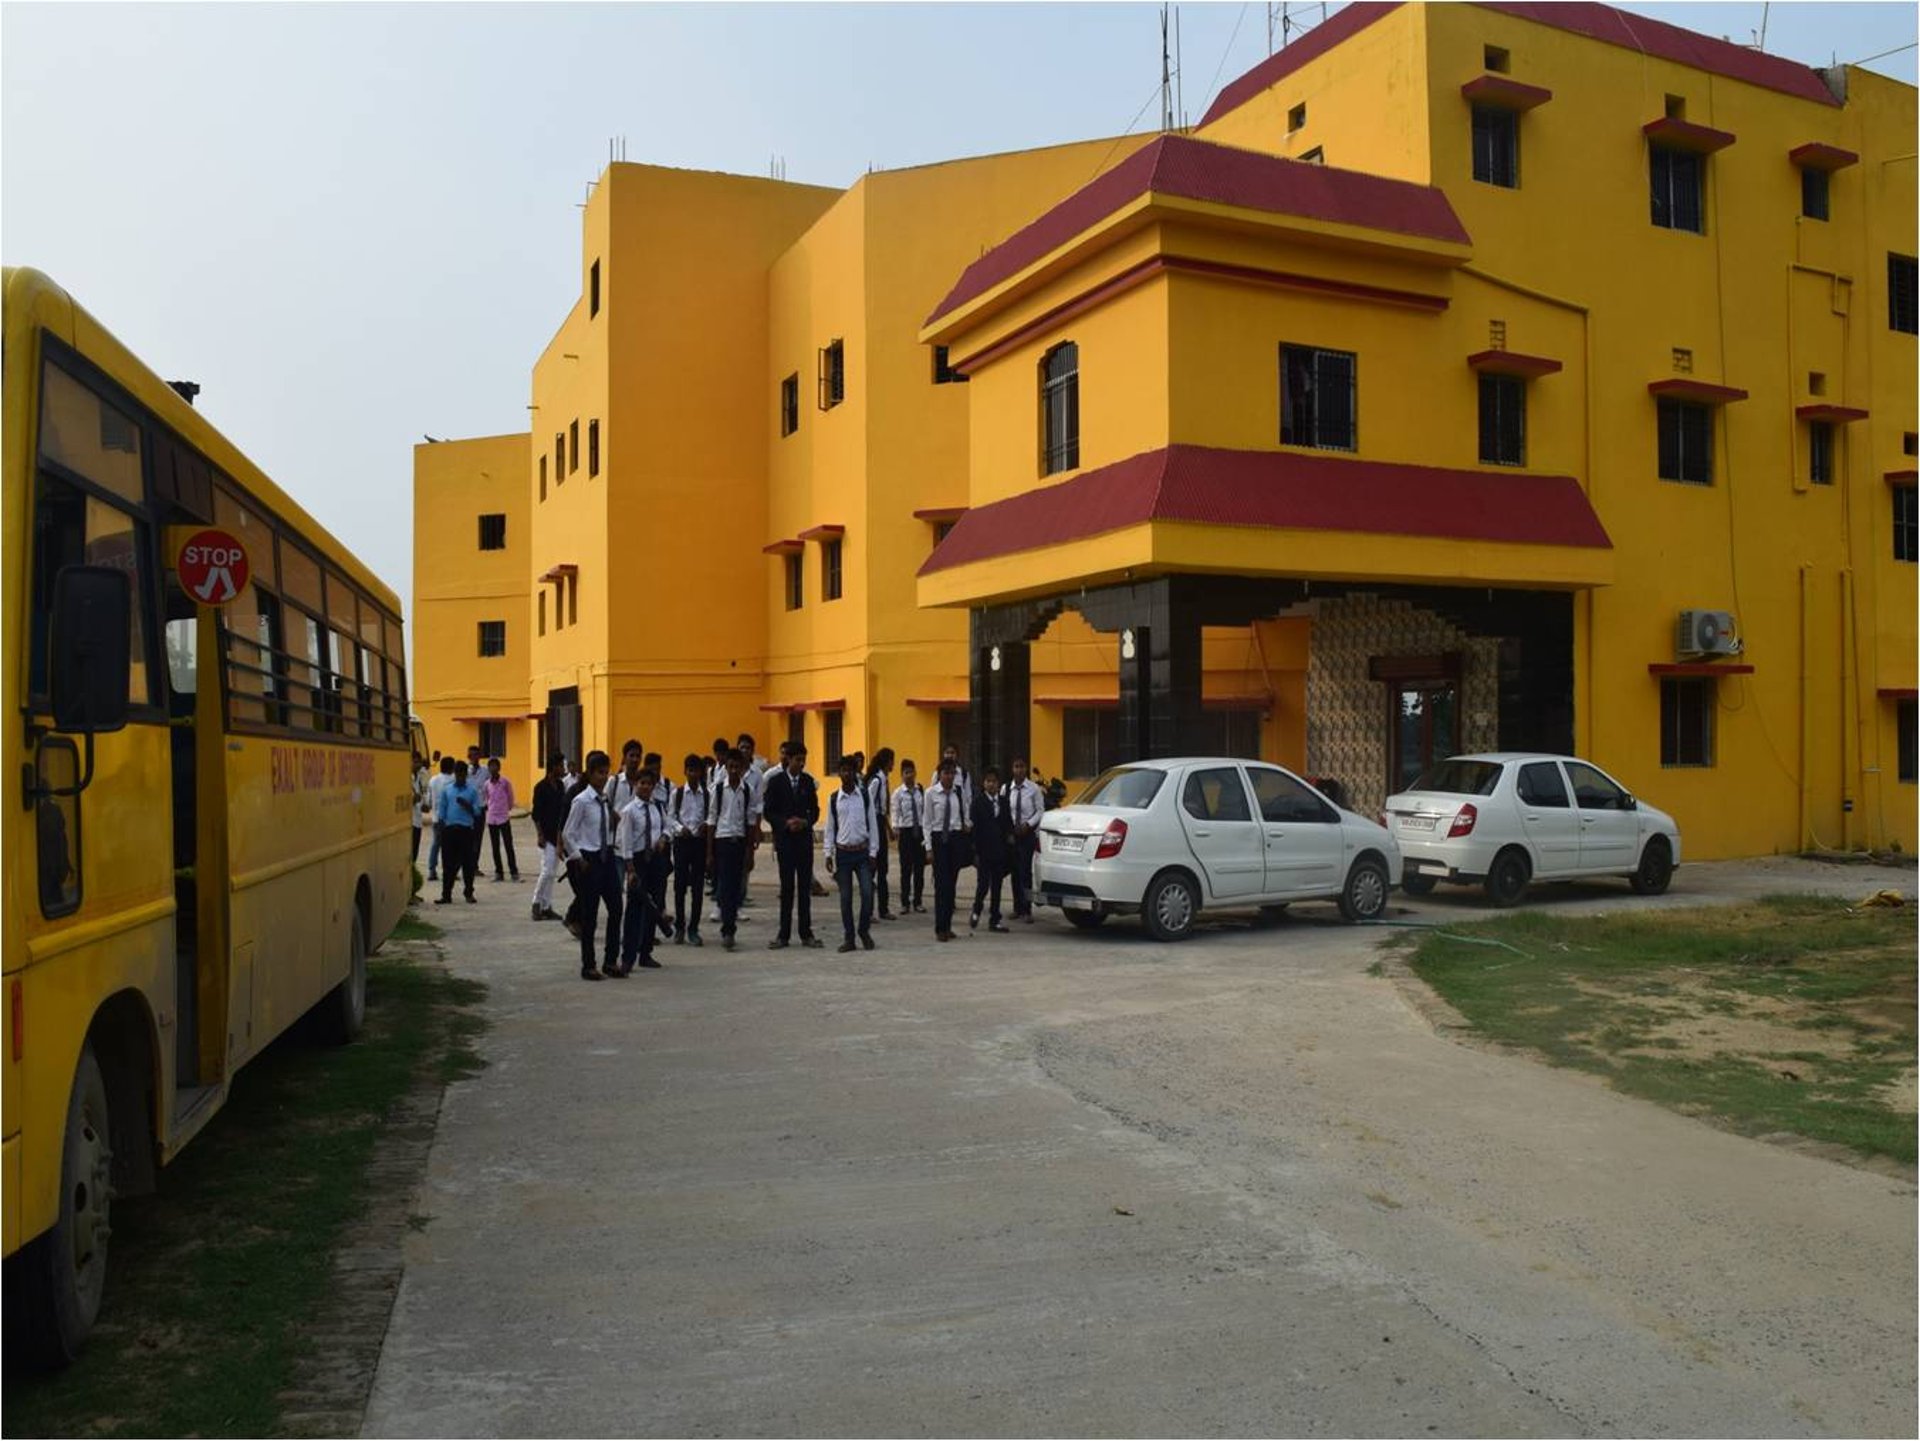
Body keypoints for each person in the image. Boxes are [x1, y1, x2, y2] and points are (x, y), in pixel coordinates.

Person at [562, 750, 621, 980]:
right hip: (589, 859)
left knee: (616, 908)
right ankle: (588, 965)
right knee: (590, 914)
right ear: (590, 773)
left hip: (606, 857)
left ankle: (610, 960)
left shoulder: (604, 799)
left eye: (606, 773)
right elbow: (568, 834)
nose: (603, 777)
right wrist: (579, 857)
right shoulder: (582, 800)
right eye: (599, 773)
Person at [761, 743, 824, 951]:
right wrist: (785, 823)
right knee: (787, 888)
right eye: (797, 759)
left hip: (804, 842)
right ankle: (783, 934)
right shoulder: (776, 782)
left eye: (803, 759)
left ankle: (806, 933)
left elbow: (814, 810)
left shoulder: (807, 782)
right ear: (788, 759)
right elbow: (769, 811)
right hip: (786, 842)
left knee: (804, 889)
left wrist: (805, 822)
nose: (801, 763)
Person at [705, 748, 760, 952]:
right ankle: (728, 929)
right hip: (722, 841)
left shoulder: (748, 791)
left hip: (740, 842)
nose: (734, 770)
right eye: (731, 767)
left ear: (743, 768)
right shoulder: (717, 790)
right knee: (726, 885)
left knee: (736, 887)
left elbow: (751, 820)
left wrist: (750, 850)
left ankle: (729, 924)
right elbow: (711, 820)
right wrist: (709, 852)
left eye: (738, 767)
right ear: (726, 768)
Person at [616, 766, 670, 973]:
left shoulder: (657, 807)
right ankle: (628, 956)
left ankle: (646, 953)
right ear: (635, 785)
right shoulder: (629, 811)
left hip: (655, 859)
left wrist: (664, 838)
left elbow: (666, 825)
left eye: (650, 784)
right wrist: (630, 869)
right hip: (637, 861)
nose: (646, 787)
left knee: (653, 904)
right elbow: (626, 842)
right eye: (642, 783)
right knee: (635, 909)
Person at [824, 753, 880, 952]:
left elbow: (872, 824)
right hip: (843, 854)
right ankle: (849, 938)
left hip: (862, 853)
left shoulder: (864, 796)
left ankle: (863, 930)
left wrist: (873, 852)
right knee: (845, 898)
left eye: (850, 770)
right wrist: (827, 853)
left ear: (855, 773)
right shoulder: (834, 799)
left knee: (867, 892)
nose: (847, 774)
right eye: (843, 770)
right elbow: (830, 828)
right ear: (839, 773)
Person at [926, 757, 970, 942]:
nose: (950, 776)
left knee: (951, 885)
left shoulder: (958, 793)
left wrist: (966, 825)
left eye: (953, 773)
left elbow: (965, 813)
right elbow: (926, 822)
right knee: (941, 886)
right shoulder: (931, 793)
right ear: (939, 775)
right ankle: (939, 927)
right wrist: (928, 847)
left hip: (955, 839)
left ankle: (948, 925)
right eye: (946, 773)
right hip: (939, 839)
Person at [667, 753, 708, 945]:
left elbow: (712, 815)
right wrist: (679, 828)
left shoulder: (707, 794)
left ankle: (694, 928)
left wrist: (705, 825)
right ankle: (680, 926)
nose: (693, 774)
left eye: (696, 770)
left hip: (699, 843)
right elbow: (670, 817)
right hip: (682, 842)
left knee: (698, 887)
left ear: (701, 772)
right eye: (690, 770)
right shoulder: (678, 793)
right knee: (679, 886)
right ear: (685, 771)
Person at [434, 760, 483, 905]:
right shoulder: (447, 790)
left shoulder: (472, 791)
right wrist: (440, 827)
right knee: (448, 865)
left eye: (463, 774)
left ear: (465, 775)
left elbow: (477, 811)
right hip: (449, 830)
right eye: (458, 774)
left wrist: (467, 805)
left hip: (466, 831)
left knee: (468, 864)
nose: (460, 777)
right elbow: (442, 810)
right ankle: (446, 895)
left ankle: (469, 893)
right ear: (455, 774)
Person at [970, 766, 1013, 932]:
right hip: (984, 851)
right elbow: (974, 829)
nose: (991, 785)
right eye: (988, 781)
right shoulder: (978, 802)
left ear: (998, 783)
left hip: (1000, 851)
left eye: (994, 781)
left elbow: (1008, 822)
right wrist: (975, 851)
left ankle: (995, 919)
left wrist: (1010, 837)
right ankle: (976, 909)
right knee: (983, 885)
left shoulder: (1004, 802)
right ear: (983, 783)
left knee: (997, 886)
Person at [530, 750, 569, 922]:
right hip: (546, 834)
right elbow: (536, 813)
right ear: (553, 767)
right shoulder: (540, 787)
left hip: (557, 834)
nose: (563, 769)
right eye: (561, 766)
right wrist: (540, 835)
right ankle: (536, 902)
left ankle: (547, 906)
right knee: (546, 871)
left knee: (552, 872)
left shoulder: (561, 786)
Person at [1006, 756, 1045, 923]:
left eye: (1022, 766)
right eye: (1016, 766)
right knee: (1014, 871)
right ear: (1012, 769)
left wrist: (1028, 825)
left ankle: (1027, 909)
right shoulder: (1006, 788)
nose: (1019, 770)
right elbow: (1003, 810)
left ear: (1026, 769)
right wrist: (1008, 831)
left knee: (1025, 871)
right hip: (1012, 835)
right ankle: (1017, 907)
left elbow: (1040, 811)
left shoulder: (1034, 789)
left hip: (1027, 834)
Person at [891, 759, 927, 914]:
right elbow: (895, 811)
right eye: (906, 773)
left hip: (919, 833)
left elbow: (925, 811)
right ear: (901, 775)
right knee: (906, 870)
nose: (909, 775)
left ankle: (917, 901)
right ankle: (904, 902)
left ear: (915, 773)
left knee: (919, 869)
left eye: (911, 772)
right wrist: (895, 828)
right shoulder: (898, 793)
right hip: (905, 833)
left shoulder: (920, 791)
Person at [864, 748, 895, 921]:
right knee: (874, 868)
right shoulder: (876, 781)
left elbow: (883, 811)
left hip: (880, 823)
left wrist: (888, 829)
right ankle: (869, 911)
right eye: (892, 761)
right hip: (873, 824)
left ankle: (883, 908)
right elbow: (870, 807)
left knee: (883, 869)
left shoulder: (884, 780)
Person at [482, 758, 520, 882]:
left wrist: (506, 809)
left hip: (503, 818)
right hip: (492, 818)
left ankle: (514, 871)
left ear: (499, 768)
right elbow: (486, 798)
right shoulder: (487, 784)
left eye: (495, 766)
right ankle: (499, 872)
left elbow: (510, 797)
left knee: (508, 845)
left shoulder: (505, 782)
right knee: (495, 847)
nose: (493, 769)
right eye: (491, 766)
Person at [426, 755, 455, 881]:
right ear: (451, 767)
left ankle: (432, 870)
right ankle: (450, 870)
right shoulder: (454, 780)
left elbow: (428, 800)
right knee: (450, 846)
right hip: (450, 818)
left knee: (436, 844)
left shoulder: (433, 780)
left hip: (436, 818)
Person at [410, 755, 430, 867]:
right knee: (411, 853)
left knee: (415, 852)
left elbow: (420, 797)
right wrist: (413, 800)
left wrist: (424, 805)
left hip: (418, 820)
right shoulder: (407, 778)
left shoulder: (419, 778)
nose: (418, 765)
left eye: (419, 763)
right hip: (410, 821)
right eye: (415, 762)